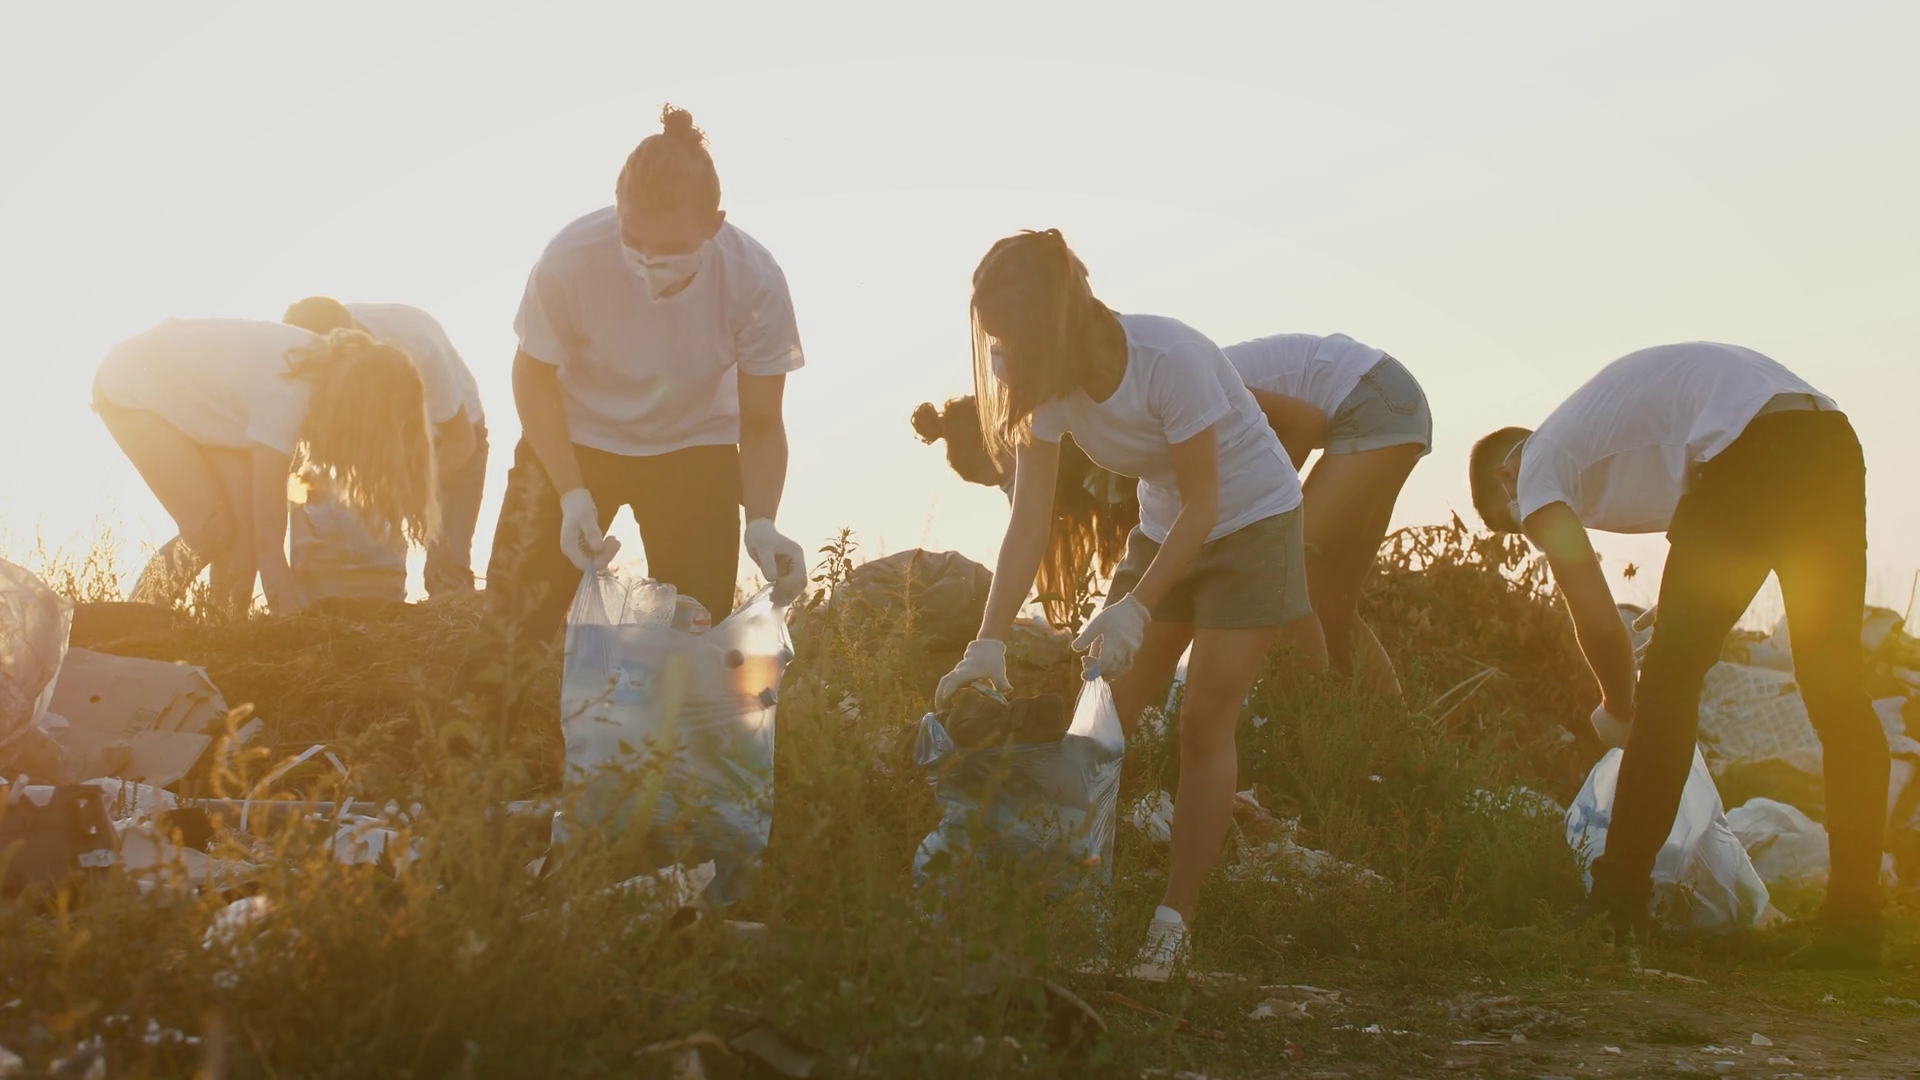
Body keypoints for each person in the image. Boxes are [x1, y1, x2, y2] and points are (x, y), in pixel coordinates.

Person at [935, 229, 1324, 971]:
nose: (1002, 356)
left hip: (1251, 521)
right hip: (1164, 527)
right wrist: (985, 639)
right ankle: (1070, 901)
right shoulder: (1038, 375)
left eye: (1012, 336)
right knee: (1100, 723)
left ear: (1054, 319)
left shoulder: (1168, 360)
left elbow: (1206, 505)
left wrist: (1138, 606)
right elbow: (1029, 517)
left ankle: (1173, 924)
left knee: (1206, 720)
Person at [1468, 342, 1887, 968]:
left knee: (1668, 683)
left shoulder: (1536, 466)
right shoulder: (1603, 432)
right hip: (1824, 437)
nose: (1528, 531)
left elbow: (1602, 625)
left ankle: (1615, 908)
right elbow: (1721, 519)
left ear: (1505, 477)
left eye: (1511, 524)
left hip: (1754, 444)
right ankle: (1855, 926)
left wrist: (1618, 705)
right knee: (1835, 688)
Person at [458, 105, 808, 738]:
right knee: (512, 625)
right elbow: (531, 377)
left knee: (693, 637)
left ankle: (665, 796)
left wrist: (761, 522)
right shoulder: (571, 258)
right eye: (632, 238)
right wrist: (569, 495)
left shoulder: (754, 279)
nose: (647, 260)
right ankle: (467, 786)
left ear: (713, 224)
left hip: (694, 449)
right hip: (573, 437)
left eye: (669, 247)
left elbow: (760, 421)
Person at [91, 318, 439, 616]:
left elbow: (256, 541)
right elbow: (271, 550)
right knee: (209, 528)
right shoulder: (288, 399)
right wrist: (290, 626)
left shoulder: (320, 370)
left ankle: (224, 632)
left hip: (201, 403)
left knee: (240, 538)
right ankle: (138, 617)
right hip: (131, 384)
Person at [1224, 333, 1430, 697]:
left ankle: (1310, 730)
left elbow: (1306, 422)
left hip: (1368, 398)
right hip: (1389, 398)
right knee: (1333, 607)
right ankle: (1405, 748)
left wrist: (1262, 511)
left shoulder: (1188, 390)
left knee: (1283, 579)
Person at [283, 298, 488, 598]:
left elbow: (461, 443)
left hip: (448, 437)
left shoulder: (417, 344)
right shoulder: (305, 350)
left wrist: (393, 497)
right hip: (372, 440)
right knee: (332, 555)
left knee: (448, 573)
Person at [912, 397, 1138, 629]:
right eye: (1003, 487)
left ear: (1005, 438)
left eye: (1009, 481)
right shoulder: (1075, 477)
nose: (1014, 495)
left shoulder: (1091, 456)